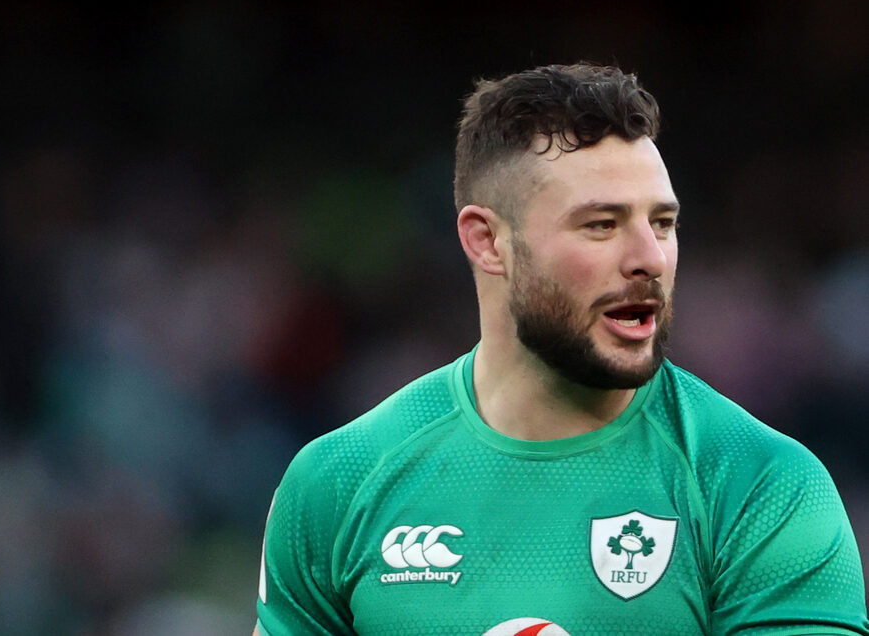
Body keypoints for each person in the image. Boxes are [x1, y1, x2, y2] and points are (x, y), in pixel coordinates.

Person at [253, 63, 868, 635]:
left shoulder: (760, 487)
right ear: (487, 241)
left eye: (662, 223)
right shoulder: (338, 481)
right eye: (601, 224)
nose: (649, 258)